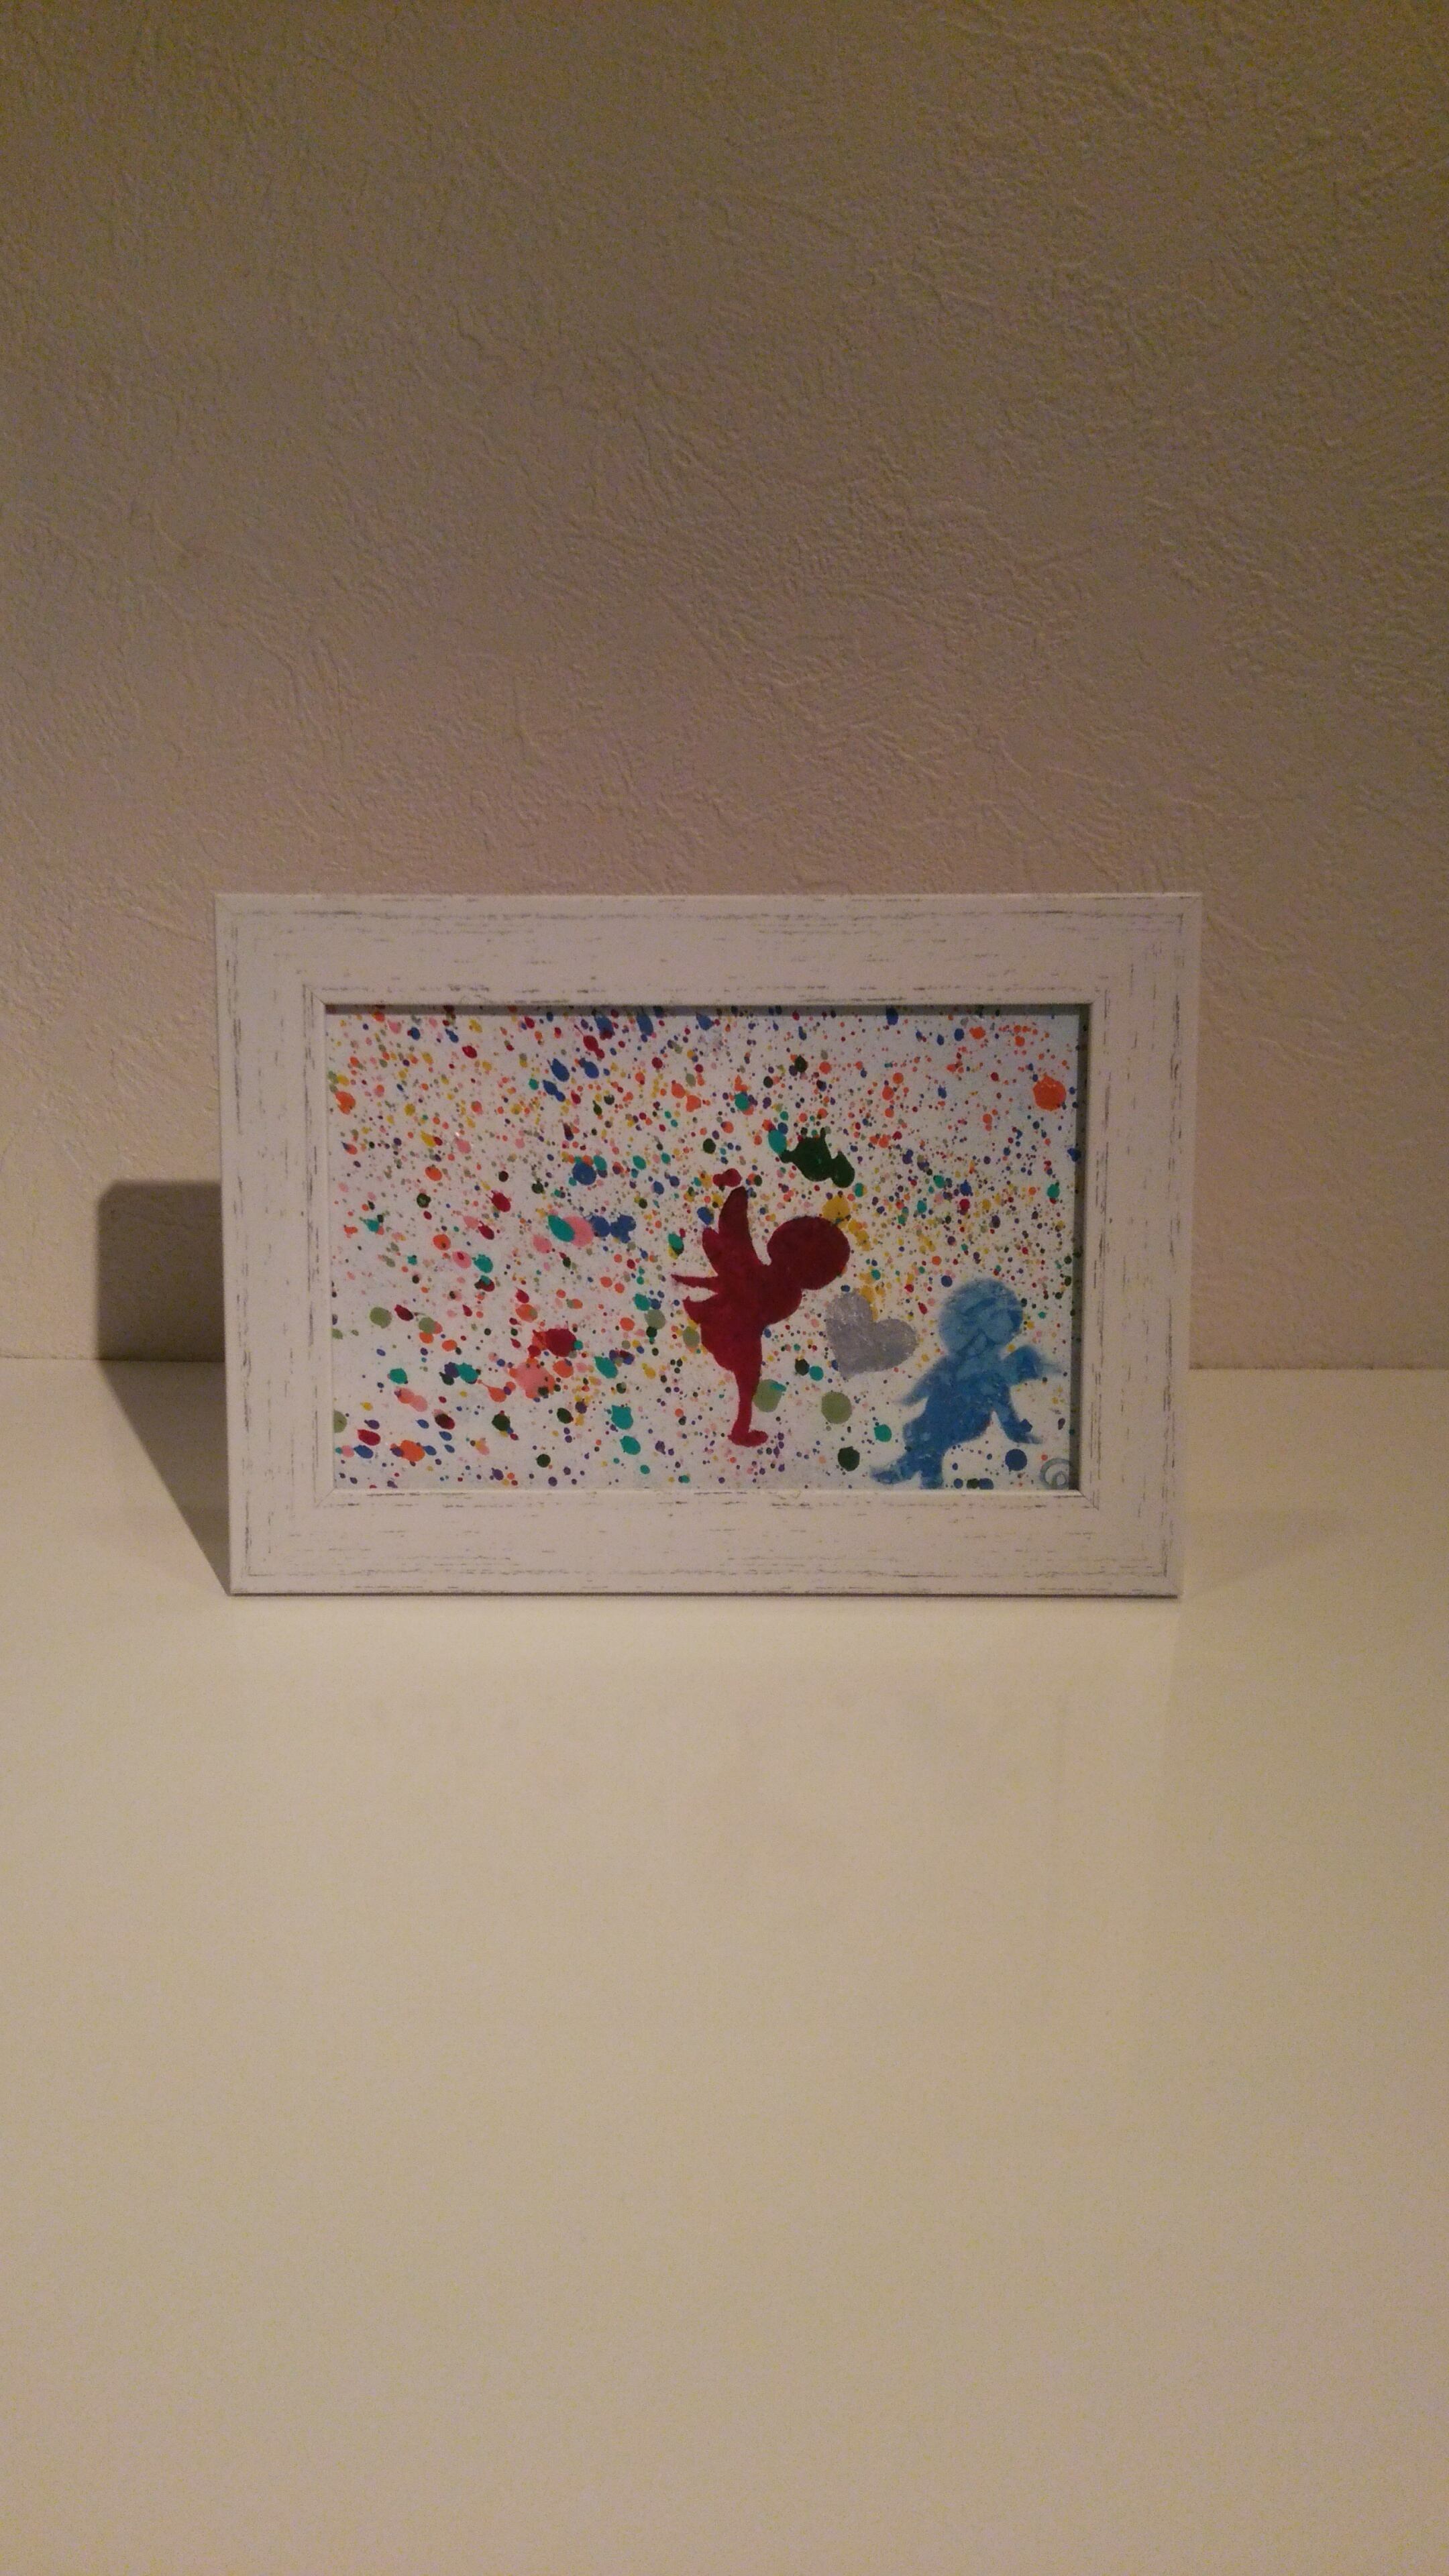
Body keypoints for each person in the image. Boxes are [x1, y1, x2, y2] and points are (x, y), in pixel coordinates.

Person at [674, 1185, 849, 1446]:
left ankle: (740, 1431)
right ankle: (740, 1431)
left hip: (733, 1330)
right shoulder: (787, 1293)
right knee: (747, 1385)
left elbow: (733, 1282)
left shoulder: (787, 1294)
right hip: (736, 1331)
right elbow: (732, 1282)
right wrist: (690, 1281)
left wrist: (693, 1282)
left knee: (747, 1386)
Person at [873, 1277, 1059, 1488]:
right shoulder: (958, 1360)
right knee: (927, 1438)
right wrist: (909, 1398)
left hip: (966, 1419)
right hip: (938, 1412)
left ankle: (904, 1469)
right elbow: (932, 1379)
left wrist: (1020, 1434)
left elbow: (1005, 1411)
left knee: (932, 1440)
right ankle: (930, 1481)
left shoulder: (993, 1377)